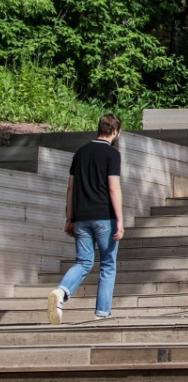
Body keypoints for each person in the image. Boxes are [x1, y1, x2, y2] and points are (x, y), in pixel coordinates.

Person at [47, 113, 125, 324]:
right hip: (104, 217)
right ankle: (102, 313)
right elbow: (113, 187)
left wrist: (69, 218)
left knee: (83, 262)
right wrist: (120, 219)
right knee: (107, 264)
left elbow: (70, 187)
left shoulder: (80, 153)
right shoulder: (112, 155)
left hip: (81, 217)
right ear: (115, 131)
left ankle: (61, 292)